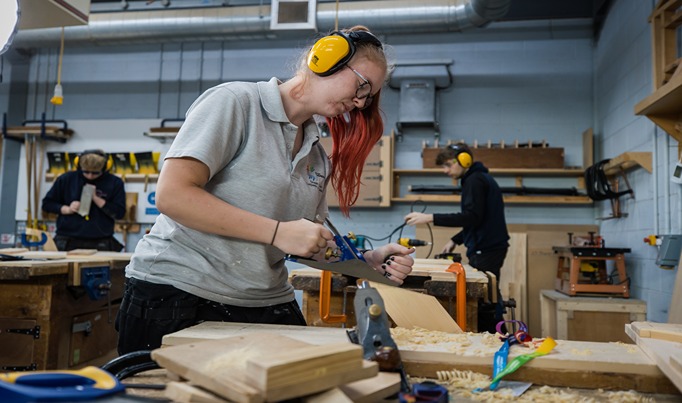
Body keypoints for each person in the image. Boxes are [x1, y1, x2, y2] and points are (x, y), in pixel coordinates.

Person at [116, 26, 415, 355]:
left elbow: (305, 242)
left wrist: (364, 261)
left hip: (263, 297)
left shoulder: (316, 152)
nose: (360, 102)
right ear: (325, 59)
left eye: (368, 97)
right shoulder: (237, 103)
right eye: (361, 85)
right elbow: (173, 195)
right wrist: (276, 232)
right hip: (178, 292)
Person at [404, 143, 509, 333]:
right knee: (490, 295)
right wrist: (456, 239)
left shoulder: (474, 181)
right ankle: (497, 336)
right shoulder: (480, 178)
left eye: (448, 165)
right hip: (490, 246)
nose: (445, 171)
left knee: (486, 300)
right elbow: (479, 218)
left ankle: (496, 339)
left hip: (486, 248)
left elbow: (472, 216)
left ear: (463, 160)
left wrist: (430, 217)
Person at [42, 149, 126, 251]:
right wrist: (67, 209)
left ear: (105, 168)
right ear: (79, 166)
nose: (90, 176)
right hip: (67, 240)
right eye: (86, 172)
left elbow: (119, 213)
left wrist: (96, 198)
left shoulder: (115, 183)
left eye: (95, 173)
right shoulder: (66, 179)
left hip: (101, 241)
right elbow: (47, 204)